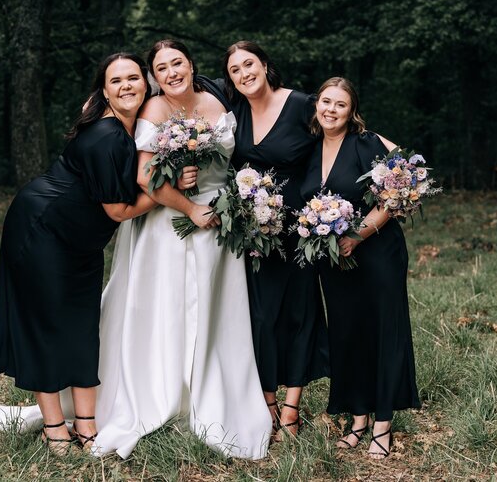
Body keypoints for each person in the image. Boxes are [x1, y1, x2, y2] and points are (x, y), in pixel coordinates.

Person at [92, 39, 272, 459]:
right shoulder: (155, 110)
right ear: (154, 76)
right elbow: (144, 176)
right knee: (169, 308)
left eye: (178, 63)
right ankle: (166, 391)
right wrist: (190, 206)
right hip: (171, 224)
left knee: (215, 311)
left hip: (221, 225)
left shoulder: (216, 99)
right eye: (162, 67)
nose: (172, 72)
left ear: (191, 65)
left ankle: (212, 392)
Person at [0, 52, 157, 455]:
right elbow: (118, 210)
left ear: (146, 85)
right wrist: (168, 197)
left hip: (81, 240)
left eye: (133, 78)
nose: (127, 86)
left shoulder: (136, 131)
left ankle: (87, 425)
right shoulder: (107, 135)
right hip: (40, 230)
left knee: (82, 327)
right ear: (104, 91)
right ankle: (54, 427)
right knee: (47, 327)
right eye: (116, 81)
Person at [298, 77, 420, 458]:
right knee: (347, 334)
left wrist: (360, 233)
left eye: (340, 105)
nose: (331, 110)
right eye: (326, 102)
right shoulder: (309, 148)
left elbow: (405, 182)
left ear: (352, 112)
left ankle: (383, 424)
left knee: (383, 330)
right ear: (317, 105)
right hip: (335, 260)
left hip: (377, 252)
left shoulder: (367, 143)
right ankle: (358, 419)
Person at [222, 41, 329, 439]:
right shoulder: (234, 115)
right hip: (255, 234)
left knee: (301, 315)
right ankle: (266, 403)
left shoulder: (302, 104)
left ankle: (290, 410)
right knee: (260, 318)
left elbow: (340, 134)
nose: (244, 73)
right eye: (235, 70)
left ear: (265, 64)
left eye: (249, 63)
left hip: (300, 230)